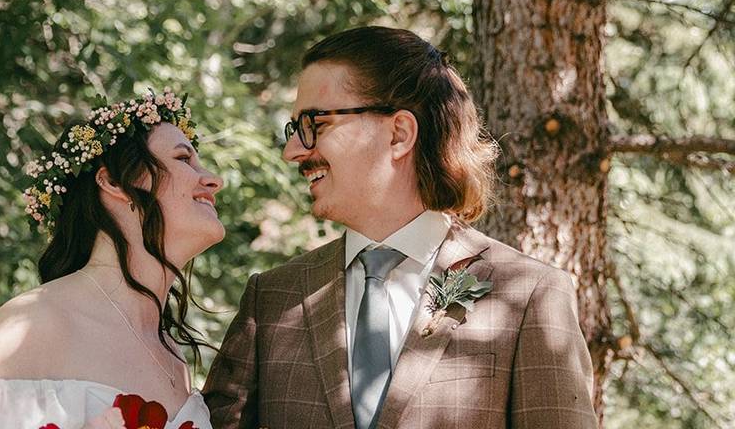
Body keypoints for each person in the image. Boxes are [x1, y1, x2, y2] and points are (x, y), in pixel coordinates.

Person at [203, 26, 597, 429]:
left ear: (399, 133)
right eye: (295, 130)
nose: (293, 151)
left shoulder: (530, 294)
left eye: (314, 124)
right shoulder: (270, 300)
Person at [0, 90, 224, 429]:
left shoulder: (173, 357)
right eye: (183, 159)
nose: (213, 180)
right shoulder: (33, 324)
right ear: (114, 182)